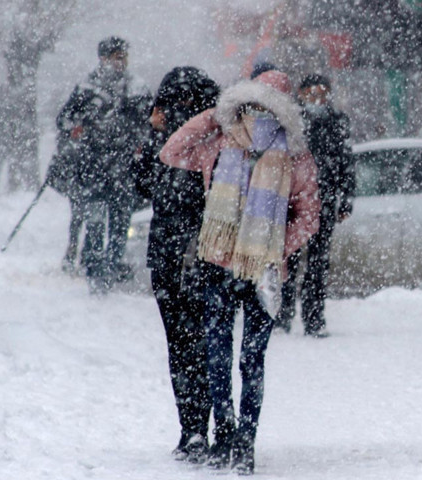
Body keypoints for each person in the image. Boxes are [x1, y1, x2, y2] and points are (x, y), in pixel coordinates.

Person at [160, 70, 320, 475]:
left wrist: (270, 248)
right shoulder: (232, 143)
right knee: (240, 358)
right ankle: (237, 438)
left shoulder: (277, 151)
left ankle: (234, 437)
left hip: (245, 270)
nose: (255, 111)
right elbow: (172, 150)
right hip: (238, 269)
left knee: (232, 356)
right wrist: (216, 115)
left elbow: (310, 216)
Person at [132, 66, 220, 463]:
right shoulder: (164, 141)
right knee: (183, 346)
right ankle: (193, 428)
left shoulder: (214, 139)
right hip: (171, 255)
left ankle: (207, 425)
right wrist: (152, 133)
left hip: (203, 254)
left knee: (199, 344)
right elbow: (139, 185)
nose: (180, 108)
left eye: (187, 101)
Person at [55, 36, 151, 292]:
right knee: (96, 224)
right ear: (104, 59)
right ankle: (96, 273)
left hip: (123, 170)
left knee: (120, 226)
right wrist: (76, 128)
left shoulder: (137, 87)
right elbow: (64, 120)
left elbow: (149, 124)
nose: (122, 62)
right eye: (117, 57)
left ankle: (109, 270)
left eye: (124, 57)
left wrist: (141, 141)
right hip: (93, 169)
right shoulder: (87, 88)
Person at [275, 74, 354, 337]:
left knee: (318, 263)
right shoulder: (291, 121)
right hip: (293, 202)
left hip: (324, 200)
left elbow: (346, 162)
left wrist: (346, 199)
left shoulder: (337, 122)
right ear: (302, 93)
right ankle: (283, 314)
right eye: (313, 93)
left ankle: (314, 317)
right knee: (289, 259)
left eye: (323, 93)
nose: (319, 99)